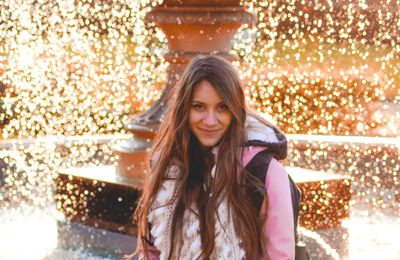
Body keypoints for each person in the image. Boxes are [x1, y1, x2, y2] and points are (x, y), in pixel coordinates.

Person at [133, 55, 295, 260]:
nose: (210, 120)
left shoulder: (262, 170)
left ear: (235, 109)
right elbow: (150, 250)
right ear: (184, 109)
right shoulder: (166, 168)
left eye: (222, 107)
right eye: (198, 106)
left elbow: (279, 256)